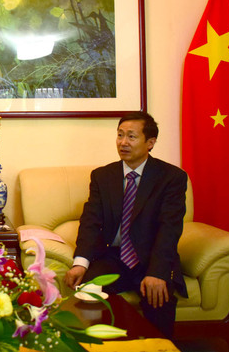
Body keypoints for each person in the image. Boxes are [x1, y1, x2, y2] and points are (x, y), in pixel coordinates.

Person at [64, 111, 188, 338]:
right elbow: (90, 222)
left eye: (131, 136)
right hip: (113, 258)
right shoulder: (103, 176)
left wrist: (158, 272)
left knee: (159, 296)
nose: (123, 142)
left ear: (150, 143)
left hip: (151, 258)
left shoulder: (171, 178)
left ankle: (157, 346)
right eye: (120, 135)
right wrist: (80, 263)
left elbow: (169, 228)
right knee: (88, 291)